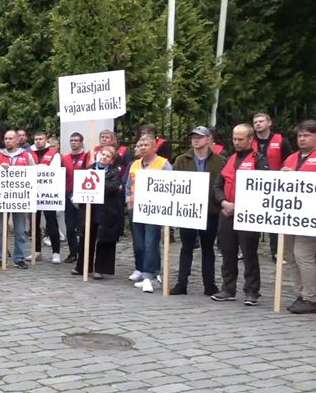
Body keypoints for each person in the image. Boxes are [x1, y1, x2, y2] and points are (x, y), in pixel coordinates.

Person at [212, 124, 269, 306]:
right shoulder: (229, 159)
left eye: (240, 139)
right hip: (226, 213)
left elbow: (263, 188)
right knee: (227, 253)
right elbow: (217, 185)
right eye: (234, 139)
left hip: (247, 215)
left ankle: (252, 291)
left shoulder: (259, 160)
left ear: (250, 139)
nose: (236, 142)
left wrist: (238, 206)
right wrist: (223, 202)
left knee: (249, 254)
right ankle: (228, 289)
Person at [170, 127, 226, 297]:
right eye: (193, 137)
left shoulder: (220, 161)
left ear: (209, 139)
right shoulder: (181, 160)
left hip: (210, 210)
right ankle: (181, 283)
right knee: (186, 247)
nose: (195, 140)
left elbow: (223, 184)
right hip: (188, 211)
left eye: (199, 137)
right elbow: (174, 182)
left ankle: (209, 284)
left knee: (208, 248)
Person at [125, 135, 171, 292]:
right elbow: (128, 185)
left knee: (151, 242)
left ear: (154, 147)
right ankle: (141, 268)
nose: (142, 147)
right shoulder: (134, 164)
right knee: (138, 242)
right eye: (140, 145)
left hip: (154, 209)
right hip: (135, 207)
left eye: (146, 145)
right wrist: (128, 203)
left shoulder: (163, 164)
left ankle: (149, 275)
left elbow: (170, 185)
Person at [73, 146, 124, 278]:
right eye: (103, 154)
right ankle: (82, 266)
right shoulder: (88, 170)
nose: (104, 157)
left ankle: (100, 269)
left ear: (111, 160)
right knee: (86, 238)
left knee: (104, 240)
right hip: (89, 209)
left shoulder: (114, 172)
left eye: (108, 156)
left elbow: (114, 187)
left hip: (105, 210)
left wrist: (98, 181)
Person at [283, 120, 316, 314]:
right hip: (290, 215)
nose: (302, 139)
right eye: (300, 135)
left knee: (303, 254)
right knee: (292, 256)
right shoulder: (291, 158)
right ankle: (302, 293)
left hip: (310, 217)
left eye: (307, 135)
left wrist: (295, 175)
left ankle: (311, 297)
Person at [0, 131, 37, 269]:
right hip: (1, 199)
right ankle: (2, 257)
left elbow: (33, 174)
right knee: (0, 230)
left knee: (20, 230)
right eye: (5, 138)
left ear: (17, 140)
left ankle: (19, 258)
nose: (7, 141)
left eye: (10, 138)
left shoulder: (26, 156)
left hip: (20, 199)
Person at [253, 112, 293, 261]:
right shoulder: (250, 140)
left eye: (261, 121)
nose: (258, 124)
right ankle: (248, 250)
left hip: (276, 186)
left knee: (274, 219)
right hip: (254, 185)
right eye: (255, 122)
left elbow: (289, 160)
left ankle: (276, 252)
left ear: (269, 123)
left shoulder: (281, 141)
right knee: (252, 218)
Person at [31, 131, 62, 264]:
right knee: (34, 223)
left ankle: (56, 253)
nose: (38, 141)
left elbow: (55, 171)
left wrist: (38, 168)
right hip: (33, 192)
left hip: (49, 192)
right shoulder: (29, 153)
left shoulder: (54, 154)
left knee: (51, 222)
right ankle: (36, 251)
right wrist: (40, 168)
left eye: (40, 139)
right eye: (36, 139)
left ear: (46, 140)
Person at [61, 133, 90, 263]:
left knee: (83, 226)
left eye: (76, 140)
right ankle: (73, 252)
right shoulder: (65, 158)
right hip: (68, 194)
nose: (73, 143)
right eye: (71, 140)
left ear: (82, 142)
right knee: (70, 226)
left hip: (83, 195)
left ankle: (84, 253)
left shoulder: (87, 157)